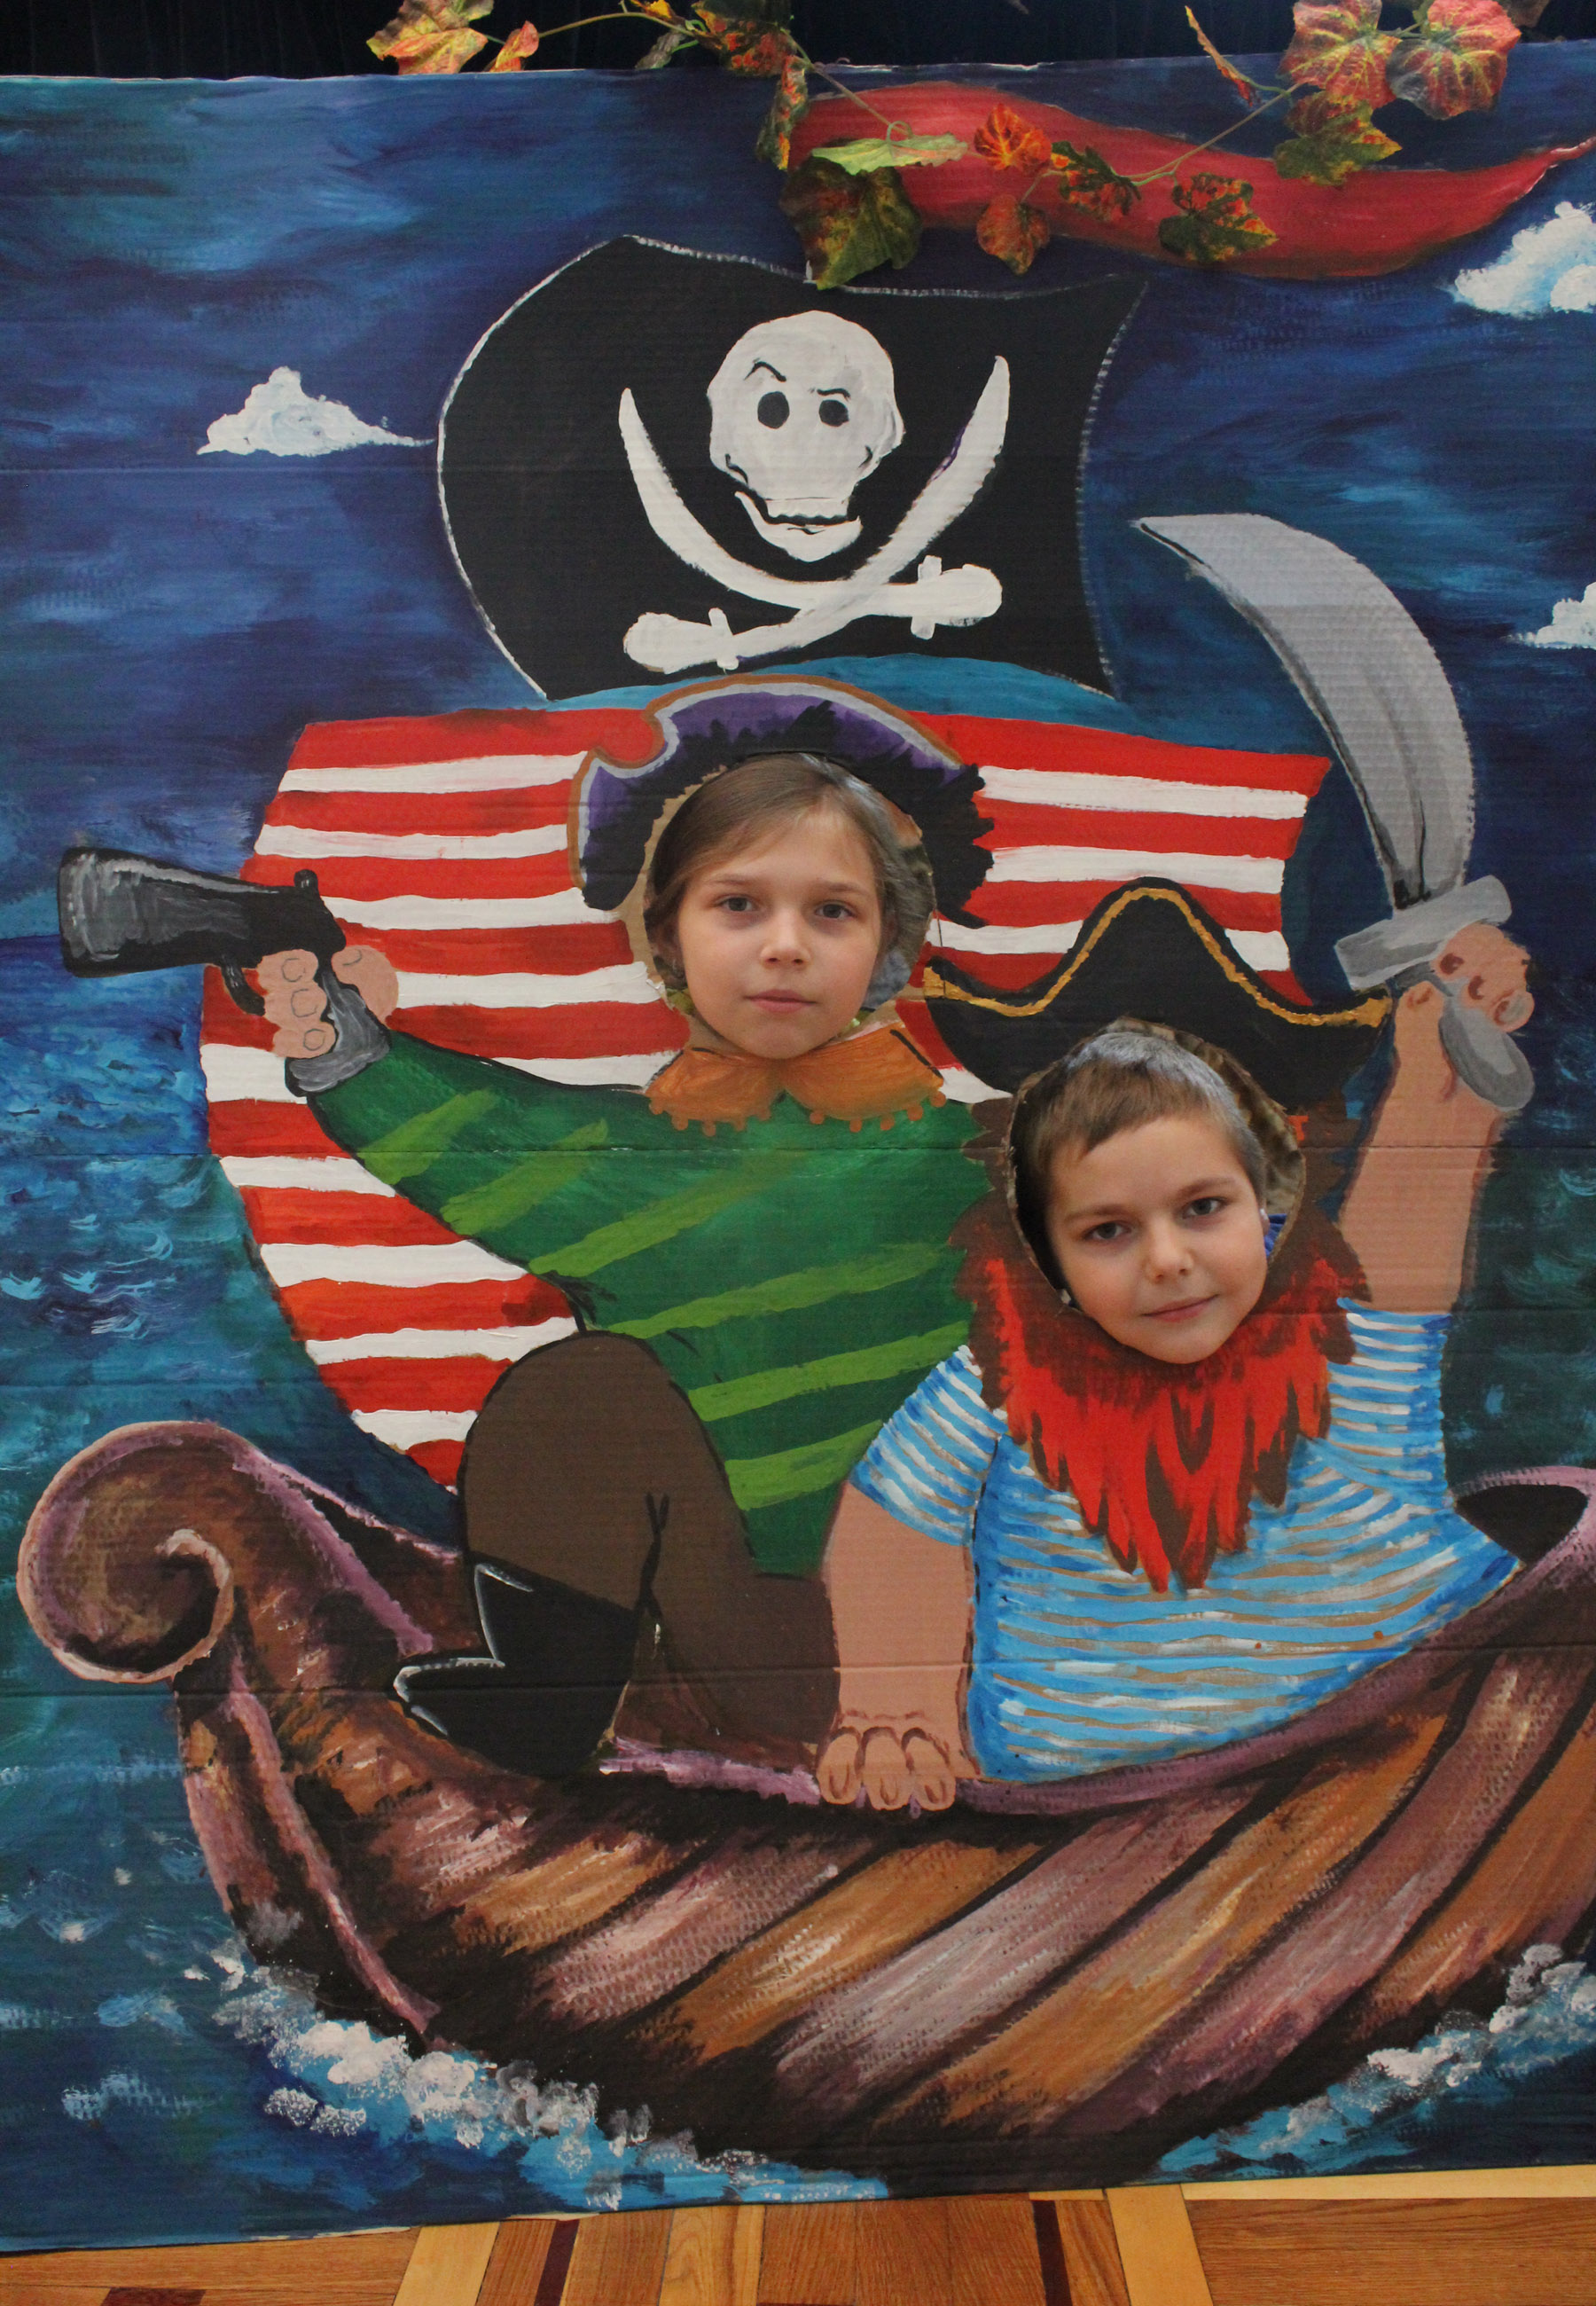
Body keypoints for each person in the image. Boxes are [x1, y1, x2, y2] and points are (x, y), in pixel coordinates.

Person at [258, 748, 988, 1777]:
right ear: (668, 939)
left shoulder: (977, 1159)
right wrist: (346, 1045)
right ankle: (549, 1695)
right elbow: (477, 1129)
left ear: (888, 947)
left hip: (959, 1633)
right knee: (582, 1392)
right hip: (733, 1627)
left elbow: (1133, 1176)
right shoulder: (623, 1158)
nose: (785, 945)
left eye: (832, 911)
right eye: (738, 905)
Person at [817, 926, 1536, 1813]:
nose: (1167, 1260)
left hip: (1405, 1773)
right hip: (1101, 1831)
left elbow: (1425, 1154)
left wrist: (1452, 1036)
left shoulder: (1348, 1330)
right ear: (1047, 1259)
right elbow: (895, 1523)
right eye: (1108, 1230)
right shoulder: (996, 1383)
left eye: (1202, 1208)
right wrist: (899, 1708)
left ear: (1267, 1204)